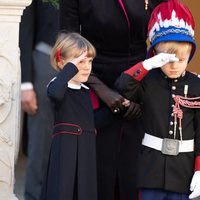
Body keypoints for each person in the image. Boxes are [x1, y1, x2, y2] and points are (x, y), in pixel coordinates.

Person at [59, 0, 168, 199]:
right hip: (92, 78)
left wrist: (142, 93)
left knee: (133, 173)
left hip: (140, 78)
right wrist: (103, 92)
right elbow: (67, 41)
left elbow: (166, 37)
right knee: (98, 170)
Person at [115, 0, 200, 199]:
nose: (174, 65)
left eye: (181, 59)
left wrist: (199, 169)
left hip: (184, 171)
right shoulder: (148, 82)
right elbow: (122, 86)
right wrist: (147, 64)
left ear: (190, 55)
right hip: (150, 171)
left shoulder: (197, 85)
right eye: (167, 59)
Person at [40, 32, 97, 200]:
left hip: (86, 153)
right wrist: (69, 68)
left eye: (89, 61)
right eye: (80, 62)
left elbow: (91, 120)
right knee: (62, 191)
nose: (87, 67)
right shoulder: (57, 86)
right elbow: (55, 93)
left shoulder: (86, 92)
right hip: (66, 152)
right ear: (62, 62)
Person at [19, 1, 58, 199]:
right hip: (46, 58)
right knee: (41, 144)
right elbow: (24, 28)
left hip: (87, 62)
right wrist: (26, 83)